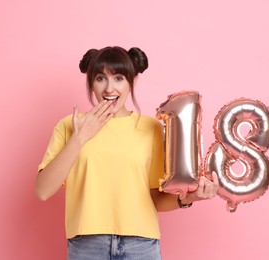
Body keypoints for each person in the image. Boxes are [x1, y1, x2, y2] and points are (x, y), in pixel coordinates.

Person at [36, 46, 219, 260]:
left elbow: (155, 199)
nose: (109, 88)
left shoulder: (151, 129)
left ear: (133, 81)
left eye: (119, 78)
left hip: (140, 246)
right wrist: (79, 138)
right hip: (87, 246)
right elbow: (43, 190)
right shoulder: (70, 125)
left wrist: (191, 198)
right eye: (101, 78)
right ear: (91, 83)